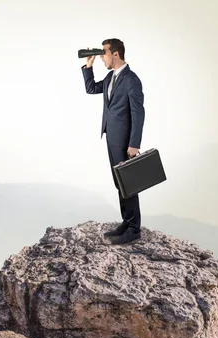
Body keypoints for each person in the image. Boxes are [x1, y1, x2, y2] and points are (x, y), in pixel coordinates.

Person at [81, 38, 145, 244]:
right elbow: (91, 88)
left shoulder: (131, 80)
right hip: (112, 138)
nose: (102, 58)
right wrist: (88, 66)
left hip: (126, 141)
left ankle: (134, 229)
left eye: (104, 54)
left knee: (129, 183)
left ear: (115, 54)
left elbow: (138, 113)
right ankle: (127, 221)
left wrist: (134, 144)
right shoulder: (110, 77)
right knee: (120, 183)